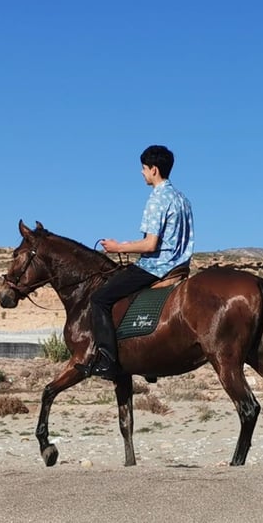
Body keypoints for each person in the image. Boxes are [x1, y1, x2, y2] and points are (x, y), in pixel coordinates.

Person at [84, 145, 194, 380]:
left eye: (143, 169)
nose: (142, 173)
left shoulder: (157, 198)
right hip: (180, 266)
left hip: (156, 267)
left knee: (99, 298)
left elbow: (150, 245)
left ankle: (107, 361)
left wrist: (118, 247)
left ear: (154, 169)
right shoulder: (183, 199)